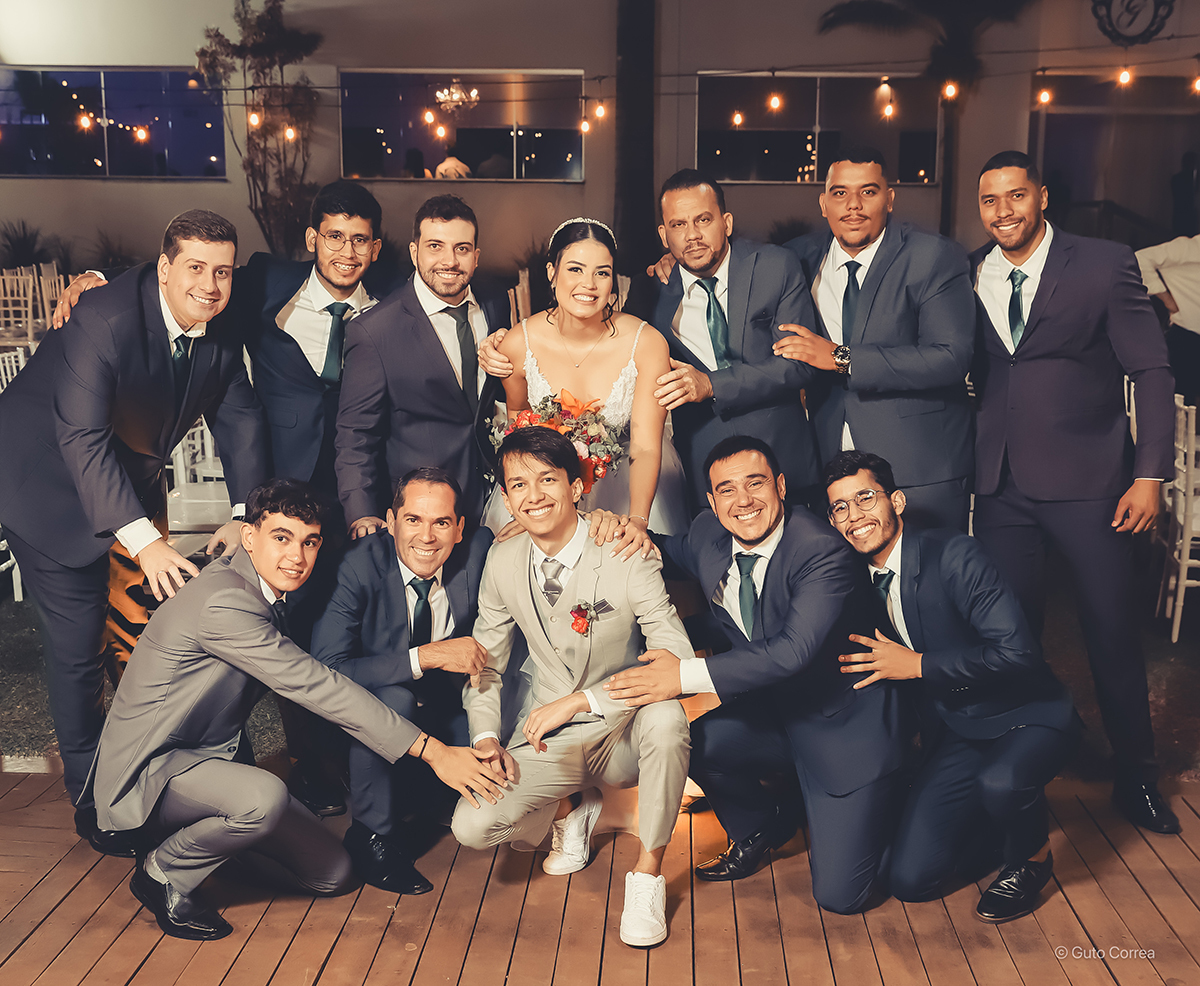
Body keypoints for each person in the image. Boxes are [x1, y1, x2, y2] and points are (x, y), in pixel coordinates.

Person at [56, 183, 401, 818]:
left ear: (377, 248)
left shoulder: (398, 294)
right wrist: (97, 284)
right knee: (273, 628)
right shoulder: (261, 280)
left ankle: (364, 769)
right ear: (312, 239)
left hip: (363, 495)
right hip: (280, 491)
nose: (347, 251)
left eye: (361, 240)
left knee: (350, 628)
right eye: (334, 236)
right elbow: (180, 276)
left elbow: (457, 293)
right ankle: (295, 769)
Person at [85, 479, 506, 941]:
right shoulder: (225, 602)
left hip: (208, 762)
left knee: (333, 874)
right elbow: (319, 685)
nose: (296, 557)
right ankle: (163, 871)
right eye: (281, 538)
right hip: (149, 771)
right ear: (250, 537)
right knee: (263, 798)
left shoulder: (260, 585)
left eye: (309, 542)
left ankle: (217, 841)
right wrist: (433, 751)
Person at [0, 210, 268, 852]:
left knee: (150, 631)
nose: (210, 285)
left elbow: (241, 417)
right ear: (165, 268)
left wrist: (245, 512)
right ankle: (93, 800)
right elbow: (82, 438)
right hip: (44, 484)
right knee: (78, 647)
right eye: (195, 268)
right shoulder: (102, 317)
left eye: (223, 271)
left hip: (130, 479)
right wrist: (146, 542)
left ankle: (169, 763)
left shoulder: (222, 318)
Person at [604, 435, 909, 915]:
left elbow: (792, 651)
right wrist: (599, 526)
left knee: (840, 897)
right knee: (695, 742)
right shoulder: (708, 532)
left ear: (781, 487)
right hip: (777, 713)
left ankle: (892, 797)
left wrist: (680, 674)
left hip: (844, 728)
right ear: (712, 502)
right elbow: (662, 549)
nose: (743, 500)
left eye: (756, 483)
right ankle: (763, 826)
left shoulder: (820, 550)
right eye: (727, 490)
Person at [971, 150, 1178, 834]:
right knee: (1011, 638)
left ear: (1042, 197)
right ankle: (1035, 761)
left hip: (1093, 484)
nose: (1004, 211)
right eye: (990, 200)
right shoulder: (971, 271)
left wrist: (1149, 474)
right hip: (1000, 487)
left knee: (1111, 632)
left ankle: (1137, 774)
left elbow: (1151, 371)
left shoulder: (1103, 263)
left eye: (1016, 196)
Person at [450, 426, 693, 948]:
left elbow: (677, 660)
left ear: (576, 486)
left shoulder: (626, 551)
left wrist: (585, 700)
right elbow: (485, 664)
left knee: (668, 719)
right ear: (506, 497)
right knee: (471, 826)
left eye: (547, 479)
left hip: (623, 729)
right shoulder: (502, 559)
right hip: (547, 738)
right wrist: (485, 737)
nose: (533, 495)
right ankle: (571, 808)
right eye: (518, 484)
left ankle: (647, 874)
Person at [824, 450, 1078, 922]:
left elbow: (1018, 653)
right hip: (960, 730)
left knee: (1002, 781)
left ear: (897, 501)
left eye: (865, 498)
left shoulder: (955, 554)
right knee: (909, 881)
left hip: (1026, 714)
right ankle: (998, 819)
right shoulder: (854, 579)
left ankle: (1032, 856)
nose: (854, 515)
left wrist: (918, 666)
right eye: (840, 507)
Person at [310, 468, 493, 892]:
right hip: (366, 714)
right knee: (395, 699)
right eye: (413, 520)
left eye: (441, 522)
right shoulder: (356, 566)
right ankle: (370, 835)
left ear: (460, 528)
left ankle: (419, 800)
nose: (426, 537)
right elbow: (326, 669)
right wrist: (426, 656)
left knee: (485, 754)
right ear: (391, 522)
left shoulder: (481, 550)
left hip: (444, 707)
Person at [779, 147, 976, 531]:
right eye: (840, 193)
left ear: (890, 198)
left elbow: (951, 356)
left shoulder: (933, 256)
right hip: (831, 466)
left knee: (928, 568)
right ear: (823, 203)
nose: (853, 205)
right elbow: (740, 266)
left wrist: (842, 358)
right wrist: (669, 264)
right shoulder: (796, 258)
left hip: (918, 466)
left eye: (868, 192)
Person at [621, 169, 822, 514]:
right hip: (703, 469)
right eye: (678, 225)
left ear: (726, 223)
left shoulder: (775, 266)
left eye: (703, 220)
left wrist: (712, 385)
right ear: (664, 234)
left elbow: (799, 365)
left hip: (784, 460)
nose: (692, 235)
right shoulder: (649, 291)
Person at [479, 218, 688, 537]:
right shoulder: (518, 344)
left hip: (628, 484)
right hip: (546, 486)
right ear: (552, 272)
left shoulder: (646, 344)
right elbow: (519, 423)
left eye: (602, 273)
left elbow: (645, 447)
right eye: (575, 269)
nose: (588, 284)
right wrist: (528, 507)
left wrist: (637, 519)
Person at [336, 194, 510, 534]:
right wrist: (362, 514)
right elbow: (355, 436)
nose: (450, 261)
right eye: (435, 246)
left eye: (462, 249)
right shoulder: (374, 330)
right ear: (415, 252)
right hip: (422, 514)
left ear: (476, 257)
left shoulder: (494, 301)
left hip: (496, 502)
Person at [1136, 233, 1200, 404]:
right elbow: (1139, 259)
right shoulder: (1188, 247)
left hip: (1189, 339)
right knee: (1178, 404)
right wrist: (1167, 299)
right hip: (1186, 339)